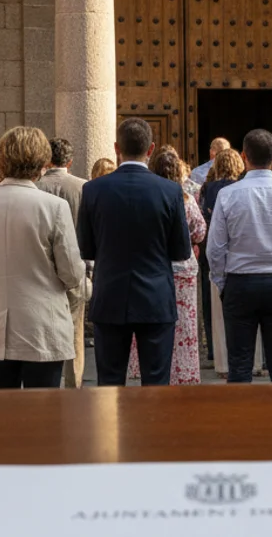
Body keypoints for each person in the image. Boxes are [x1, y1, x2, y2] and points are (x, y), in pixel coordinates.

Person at [0, 127, 85, 390]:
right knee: (44, 417)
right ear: (42, 162)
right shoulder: (54, 207)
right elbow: (71, 273)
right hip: (42, 327)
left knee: (1, 420)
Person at [78, 118, 192, 386]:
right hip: (155, 298)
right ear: (150, 149)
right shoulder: (170, 190)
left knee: (109, 382)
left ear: (117, 147)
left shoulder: (94, 189)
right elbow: (181, 251)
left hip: (110, 295)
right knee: (156, 381)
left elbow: (86, 248)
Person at [208, 132, 272, 383]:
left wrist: (222, 281)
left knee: (240, 365)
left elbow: (215, 248)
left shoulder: (229, 195)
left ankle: (241, 421)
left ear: (244, 157)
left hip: (240, 281)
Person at [125, 150, 207, 384]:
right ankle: (183, 372)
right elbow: (200, 230)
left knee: (150, 322)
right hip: (181, 268)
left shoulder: (145, 196)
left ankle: (145, 367)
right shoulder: (185, 198)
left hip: (150, 266)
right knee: (183, 323)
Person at [36, 137, 91, 388]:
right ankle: (73, 383)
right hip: (75, 265)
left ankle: (46, 383)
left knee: (42, 329)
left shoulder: (35, 187)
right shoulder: (83, 187)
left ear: (47, 159)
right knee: (75, 330)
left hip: (41, 269)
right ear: (70, 161)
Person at [199, 148, 246, 376]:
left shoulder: (208, 188)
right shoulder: (241, 189)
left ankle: (217, 355)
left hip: (212, 248)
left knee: (213, 306)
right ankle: (248, 356)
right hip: (239, 253)